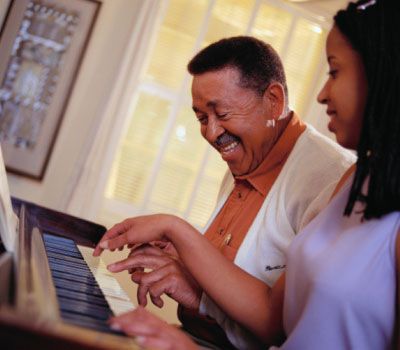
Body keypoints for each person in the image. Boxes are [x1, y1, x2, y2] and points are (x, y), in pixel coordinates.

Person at [95, 0, 400, 348]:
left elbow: (281, 328)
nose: (210, 134)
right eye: (200, 118)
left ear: (273, 101)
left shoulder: (330, 175)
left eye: (334, 72)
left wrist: (177, 234)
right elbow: (282, 315)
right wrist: (185, 259)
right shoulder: (349, 179)